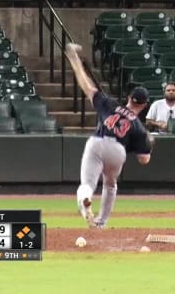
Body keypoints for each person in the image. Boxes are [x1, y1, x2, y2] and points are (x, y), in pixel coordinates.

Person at [64, 43, 152, 229]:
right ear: (144, 105)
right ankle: (101, 223)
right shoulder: (139, 127)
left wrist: (74, 59)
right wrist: (150, 144)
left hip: (97, 142)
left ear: (129, 98)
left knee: (87, 183)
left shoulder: (109, 104)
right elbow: (144, 160)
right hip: (117, 150)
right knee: (110, 185)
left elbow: (86, 85)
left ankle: (86, 200)